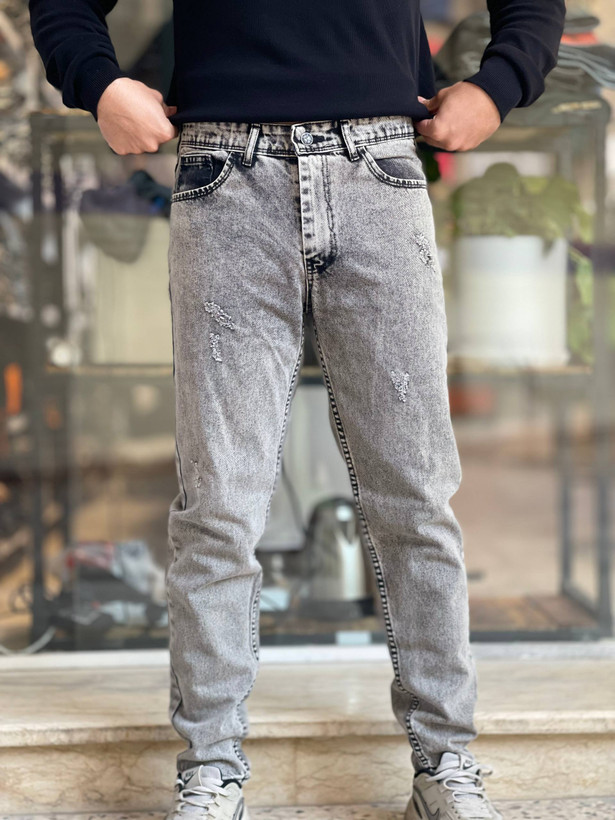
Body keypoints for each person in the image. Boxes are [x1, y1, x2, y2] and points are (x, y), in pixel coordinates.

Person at [29, 1, 565, 818]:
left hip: (379, 168)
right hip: (225, 174)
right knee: (218, 507)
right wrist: (99, 84)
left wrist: (499, 84)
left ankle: (444, 764)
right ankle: (210, 770)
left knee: (415, 498)